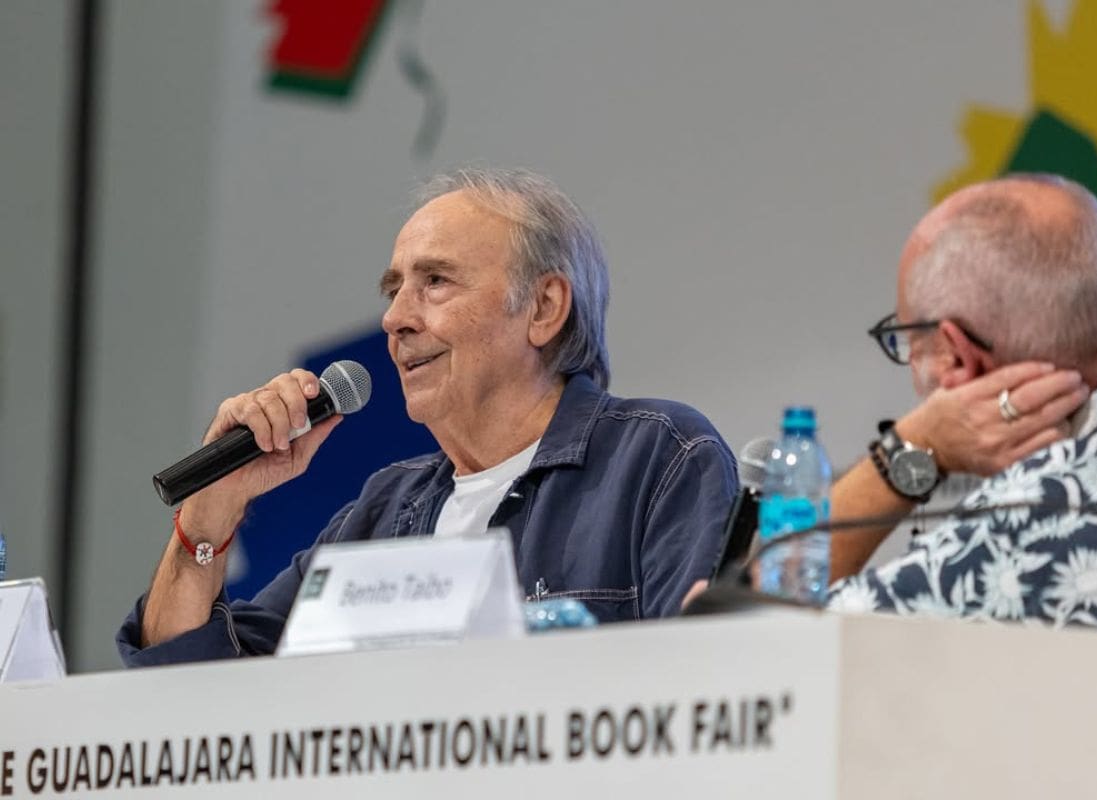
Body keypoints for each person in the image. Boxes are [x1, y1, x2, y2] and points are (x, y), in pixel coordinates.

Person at [117, 168, 738, 666]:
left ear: (544, 308)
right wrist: (209, 516)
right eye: (394, 290)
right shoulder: (384, 511)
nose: (395, 319)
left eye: (435, 282)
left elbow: (693, 692)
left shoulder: (659, 461)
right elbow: (187, 691)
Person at [826, 174, 1097, 636]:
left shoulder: (1000, 547)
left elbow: (759, 636)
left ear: (957, 355)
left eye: (906, 340)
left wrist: (913, 445)